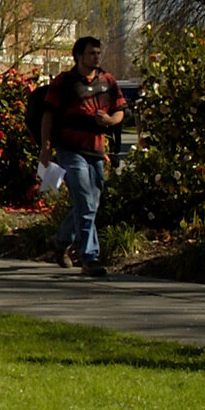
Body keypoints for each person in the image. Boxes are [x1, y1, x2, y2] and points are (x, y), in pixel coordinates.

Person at [40, 35, 125, 277]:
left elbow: (119, 111)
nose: (96, 57)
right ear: (78, 56)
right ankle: (90, 258)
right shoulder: (65, 82)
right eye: (91, 53)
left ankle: (60, 241)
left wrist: (109, 120)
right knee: (86, 201)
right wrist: (46, 145)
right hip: (70, 150)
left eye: (98, 53)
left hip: (96, 150)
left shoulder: (107, 81)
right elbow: (48, 115)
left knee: (90, 203)